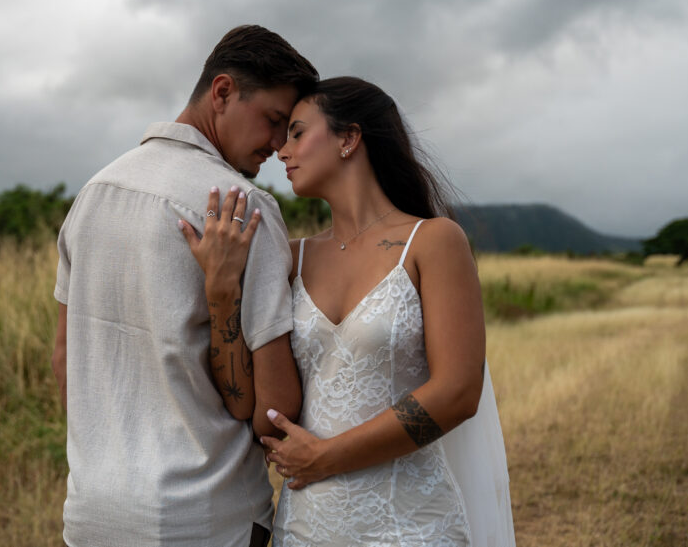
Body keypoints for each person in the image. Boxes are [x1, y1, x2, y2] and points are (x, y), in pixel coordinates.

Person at [179, 76, 515, 546]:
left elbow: (459, 392)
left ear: (349, 138)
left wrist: (327, 456)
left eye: (297, 132)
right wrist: (221, 292)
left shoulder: (432, 241)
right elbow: (248, 402)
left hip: (409, 527)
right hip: (307, 526)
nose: (281, 149)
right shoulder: (289, 259)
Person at [52, 25, 318, 547]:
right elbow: (274, 411)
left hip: (93, 512)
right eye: (273, 121)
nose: (277, 144)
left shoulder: (93, 194)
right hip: (205, 516)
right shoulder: (244, 210)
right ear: (221, 92)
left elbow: (65, 358)